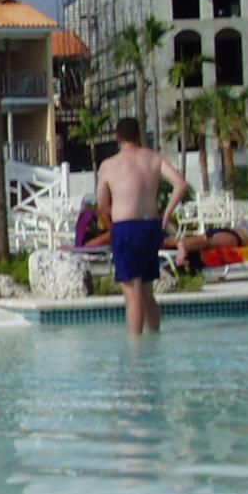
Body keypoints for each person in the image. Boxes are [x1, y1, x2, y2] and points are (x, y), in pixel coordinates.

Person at [95, 117, 188, 336]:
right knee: (147, 291)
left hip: (125, 228)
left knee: (132, 294)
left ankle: (136, 349)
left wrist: (117, 208)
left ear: (118, 137)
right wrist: (166, 214)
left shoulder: (108, 165)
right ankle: (154, 338)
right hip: (149, 226)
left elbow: (102, 204)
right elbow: (181, 184)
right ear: (138, 135)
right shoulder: (154, 158)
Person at [175, 220, 248, 265]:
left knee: (204, 240)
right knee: (209, 243)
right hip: (234, 238)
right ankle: (183, 246)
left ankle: (173, 244)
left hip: (225, 231)